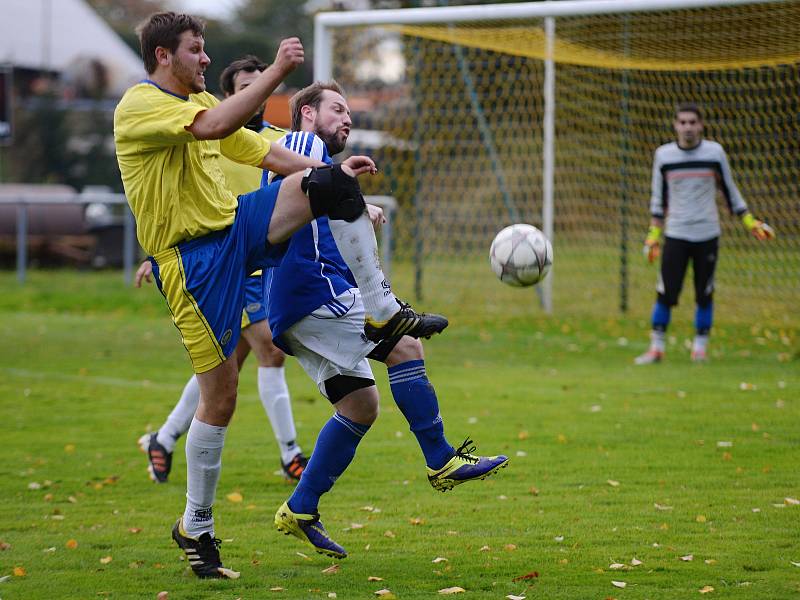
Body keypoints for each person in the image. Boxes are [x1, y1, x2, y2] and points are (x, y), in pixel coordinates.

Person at [115, 12, 445, 579]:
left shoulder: (198, 108)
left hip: (235, 229)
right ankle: (195, 524)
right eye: (197, 50)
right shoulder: (141, 105)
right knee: (220, 398)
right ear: (164, 56)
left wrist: (338, 179)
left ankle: (384, 313)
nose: (206, 59)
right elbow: (216, 126)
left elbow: (265, 153)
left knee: (329, 181)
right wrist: (277, 71)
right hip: (192, 266)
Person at [260, 81, 509, 560]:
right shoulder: (299, 142)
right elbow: (300, 186)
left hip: (298, 305)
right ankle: (440, 459)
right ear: (307, 114)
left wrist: (352, 201)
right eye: (336, 109)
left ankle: (301, 508)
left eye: (350, 111)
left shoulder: (315, 167)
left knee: (360, 407)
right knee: (404, 345)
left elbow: (309, 204)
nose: (346, 118)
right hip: (312, 292)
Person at [135, 56, 308, 484]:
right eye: (248, 85)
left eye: (263, 85)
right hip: (226, 264)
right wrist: (156, 253)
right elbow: (183, 204)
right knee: (271, 349)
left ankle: (166, 436)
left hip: (263, 263)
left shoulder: (278, 142)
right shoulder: (208, 137)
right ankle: (291, 454)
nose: (258, 93)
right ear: (229, 97)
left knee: (225, 366)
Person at [635, 102, 775, 365]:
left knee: (705, 292)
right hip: (676, 233)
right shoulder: (664, 156)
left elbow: (730, 191)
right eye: (683, 122)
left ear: (701, 125)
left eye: (692, 122)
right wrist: (653, 235)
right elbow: (658, 199)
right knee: (666, 292)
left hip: (707, 234)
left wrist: (750, 222)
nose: (688, 127)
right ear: (675, 125)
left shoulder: (714, 153)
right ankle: (656, 349)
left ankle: (699, 350)